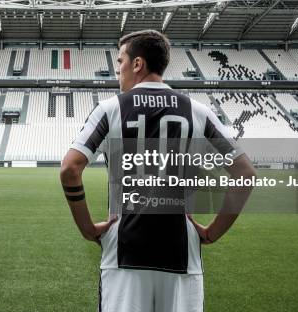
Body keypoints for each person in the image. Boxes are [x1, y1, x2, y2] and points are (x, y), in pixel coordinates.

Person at [60, 30, 255, 312]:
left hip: (123, 253)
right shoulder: (198, 111)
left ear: (137, 64)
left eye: (121, 62)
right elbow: (245, 173)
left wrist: (87, 228)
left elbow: (69, 169)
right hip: (182, 255)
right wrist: (213, 232)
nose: (118, 71)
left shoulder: (109, 109)